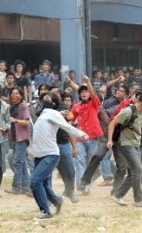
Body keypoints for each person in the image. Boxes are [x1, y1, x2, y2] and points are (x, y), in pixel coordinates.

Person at [29, 92, 89, 221]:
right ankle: (57, 201)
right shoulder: (43, 115)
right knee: (44, 184)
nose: (42, 100)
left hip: (50, 155)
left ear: (53, 104)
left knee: (35, 181)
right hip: (39, 155)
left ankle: (46, 212)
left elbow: (67, 127)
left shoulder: (52, 113)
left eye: (47, 99)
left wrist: (81, 134)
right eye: (43, 98)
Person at [107, 91, 142, 207]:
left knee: (133, 172)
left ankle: (117, 195)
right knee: (138, 170)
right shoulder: (128, 111)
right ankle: (139, 200)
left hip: (136, 144)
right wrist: (109, 140)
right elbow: (113, 123)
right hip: (125, 144)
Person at [5, 87, 31, 195]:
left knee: (17, 162)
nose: (14, 95)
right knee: (22, 163)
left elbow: (27, 122)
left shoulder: (23, 106)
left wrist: (15, 120)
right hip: (14, 138)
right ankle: (27, 186)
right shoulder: (10, 108)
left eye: (16, 93)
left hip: (22, 138)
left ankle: (16, 187)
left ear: (21, 96)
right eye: (12, 93)